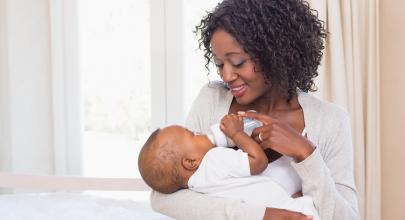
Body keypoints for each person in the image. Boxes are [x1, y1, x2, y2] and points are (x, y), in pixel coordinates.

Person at [151, 0, 359, 219]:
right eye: (220, 64)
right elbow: (163, 198)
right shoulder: (212, 99)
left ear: (275, 53)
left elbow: (348, 217)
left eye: (238, 62)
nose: (227, 76)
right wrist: (261, 214)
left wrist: (306, 153)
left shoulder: (330, 121)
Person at [138, 114, 319, 219]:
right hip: (290, 211)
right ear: (191, 162)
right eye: (193, 134)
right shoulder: (213, 160)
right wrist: (236, 133)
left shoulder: (196, 185)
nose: (200, 132)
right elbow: (258, 162)